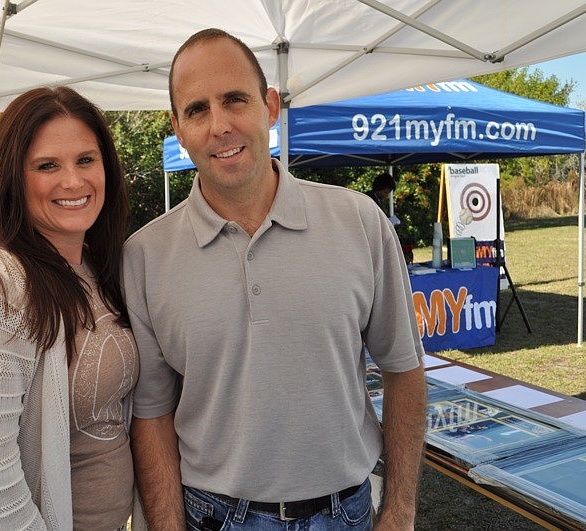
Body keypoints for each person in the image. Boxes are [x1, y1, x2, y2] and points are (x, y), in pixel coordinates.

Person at [122, 28, 427, 530]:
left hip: (346, 513)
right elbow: (151, 415)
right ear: (178, 128)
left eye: (234, 100)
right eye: (197, 110)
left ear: (269, 107)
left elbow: (404, 369)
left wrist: (399, 511)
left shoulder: (359, 222)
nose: (219, 126)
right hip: (214, 517)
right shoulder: (145, 256)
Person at [0, 86, 138, 530]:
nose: (73, 181)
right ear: (13, 178)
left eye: (86, 160)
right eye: (48, 165)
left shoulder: (101, 268)